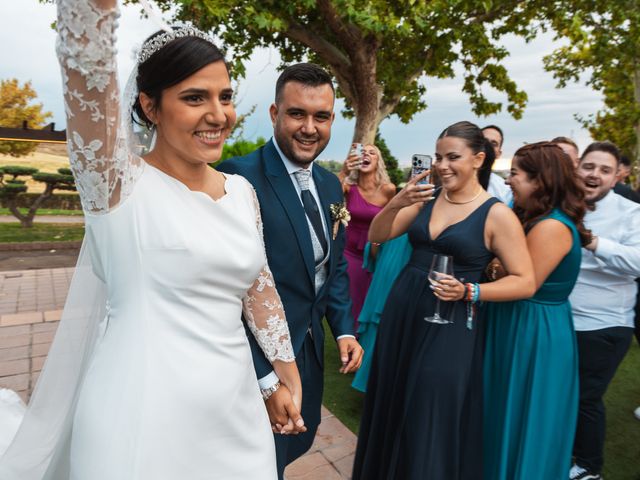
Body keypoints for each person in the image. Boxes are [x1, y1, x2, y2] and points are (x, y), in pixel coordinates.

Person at [0, 2, 305, 478]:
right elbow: (89, 70)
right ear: (148, 105)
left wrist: (284, 374)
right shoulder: (116, 186)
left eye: (225, 96)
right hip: (139, 418)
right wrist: (91, 13)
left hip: (236, 417)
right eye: (194, 98)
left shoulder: (241, 192)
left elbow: (257, 288)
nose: (218, 114)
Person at [353, 121, 536, 480]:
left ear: (479, 159)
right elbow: (378, 234)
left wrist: (473, 291)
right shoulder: (426, 199)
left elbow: (525, 281)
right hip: (403, 311)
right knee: (391, 398)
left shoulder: (497, 214)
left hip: (451, 322)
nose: (442, 165)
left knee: (429, 411)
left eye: (453, 157)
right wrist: (397, 202)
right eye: (438, 156)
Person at [218, 63, 364, 479]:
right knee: (253, 462)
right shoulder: (237, 177)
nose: (309, 127)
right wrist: (264, 377)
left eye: (321, 116)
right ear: (274, 114)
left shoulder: (332, 185)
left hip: (309, 353)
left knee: (287, 450)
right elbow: (225, 291)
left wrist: (346, 330)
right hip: (252, 362)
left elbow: (331, 271)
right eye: (297, 113)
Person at [483, 142, 591, 480]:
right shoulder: (533, 219)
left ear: (540, 181)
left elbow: (520, 278)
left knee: (523, 414)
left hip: (533, 330)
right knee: (503, 411)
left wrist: (491, 272)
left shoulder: (552, 227)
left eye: (515, 173)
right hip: (517, 321)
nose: (510, 180)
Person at [568, 141, 640, 480]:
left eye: (604, 170)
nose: (594, 175)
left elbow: (637, 263)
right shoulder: (562, 203)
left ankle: (589, 467)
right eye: (589, 167)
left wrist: (592, 241)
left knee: (585, 397)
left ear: (616, 177)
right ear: (577, 168)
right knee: (561, 394)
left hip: (603, 325)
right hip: (558, 320)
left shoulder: (630, 212)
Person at [339, 144, 395, 330]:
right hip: (350, 252)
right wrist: (344, 170)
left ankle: (367, 339)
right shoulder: (349, 188)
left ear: (378, 161)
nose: (366, 155)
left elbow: (393, 218)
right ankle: (351, 343)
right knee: (353, 298)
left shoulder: (388, 189)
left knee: (371, 298)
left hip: (376, 252)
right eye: (363, 152)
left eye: (372, 153)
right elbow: (329, 194)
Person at [481, 124, 513, 204]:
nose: (487, 146)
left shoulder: (505, 191)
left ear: (499, 154)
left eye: (493, 144)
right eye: (484, 141)